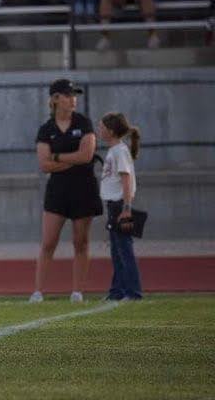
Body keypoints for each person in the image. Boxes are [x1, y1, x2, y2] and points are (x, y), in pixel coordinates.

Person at [30, 78, 102, 304]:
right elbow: (44, 164)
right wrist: (72, 161)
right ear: (55, 99)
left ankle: (77, 291)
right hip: (58, 190)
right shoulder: (46, 129)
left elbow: (86, 155)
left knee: (80, 241)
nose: (73, 100)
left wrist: (59, 157)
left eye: (75, 95)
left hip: (84, 188)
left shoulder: (84, 123)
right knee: (48, 241)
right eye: (68, 95)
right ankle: (38, 291)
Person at [98, 112, 143, 301]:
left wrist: (126, 208)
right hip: (113, 205)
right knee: (116, 251)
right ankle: (117, 291)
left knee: (124, 250)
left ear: (110, 130)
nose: (98, 130)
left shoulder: (120, 151)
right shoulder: (113, 150)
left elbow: (126, 180)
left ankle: (133, 292)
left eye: (101, 127)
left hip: (119, 205)